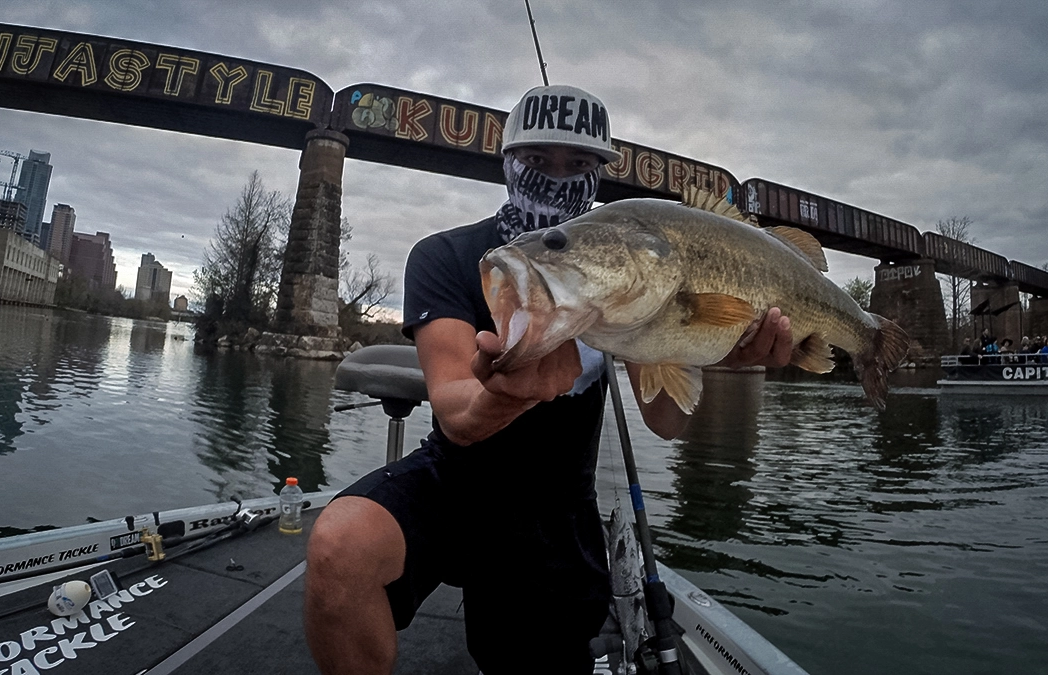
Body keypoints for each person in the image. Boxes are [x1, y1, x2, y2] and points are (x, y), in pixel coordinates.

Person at [302, 84, 794, 675]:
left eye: (579, 164)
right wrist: (506, 395)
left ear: (599, 175)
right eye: (537, 161)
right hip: (456, 479)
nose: (557, 177)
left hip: (558, 506)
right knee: (339, 546)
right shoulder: (445, 256)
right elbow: (456, 410)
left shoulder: (633, 268)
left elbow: (667, 423)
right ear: (507, 161)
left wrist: (707, 350)